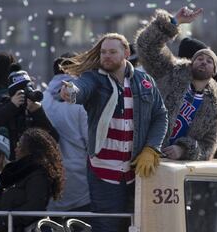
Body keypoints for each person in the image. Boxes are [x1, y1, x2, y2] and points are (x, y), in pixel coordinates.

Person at [60, 32, 168, 232]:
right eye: (103, 52)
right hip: (104, 172)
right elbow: (82, 88)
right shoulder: (93, 78)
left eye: (112, 52)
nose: (106, 56)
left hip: (138, 172)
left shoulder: (145, 81)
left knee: (141, 226)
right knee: (106, 227)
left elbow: (160, 116)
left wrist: (152, 148)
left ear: (126, 53)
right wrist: (71, 92)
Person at [136, 7, 217, 160]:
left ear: (215, 71)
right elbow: (147, 46)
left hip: (174, 169)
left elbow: (208, 146)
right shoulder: (170, 72)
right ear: (191, 63)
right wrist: (174, 22)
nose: (203, 62)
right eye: (199, 59)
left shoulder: (216, 106)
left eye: (209, 61)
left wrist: (183, 150)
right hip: (142, 154)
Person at [0, 128, 64, 232]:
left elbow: (34, 208)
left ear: (29, 150)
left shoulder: (39, 174)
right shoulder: (20, 172)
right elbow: (6, 203)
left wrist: (7, 220)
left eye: (19, 145)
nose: (15, 149)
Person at [42, 53, 91, 214]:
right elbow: (91, 141)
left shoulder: (42, 99)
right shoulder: (80, 101)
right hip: (79, 176)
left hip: (50, 173)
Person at [0, 63, 59, 160]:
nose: (25, 96)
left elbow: (54, 139)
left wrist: (38, 112)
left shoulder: (34, 108)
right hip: (9, 166)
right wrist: (11, 107)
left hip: (31, 166)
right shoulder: (2, 106)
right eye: (21, 93)